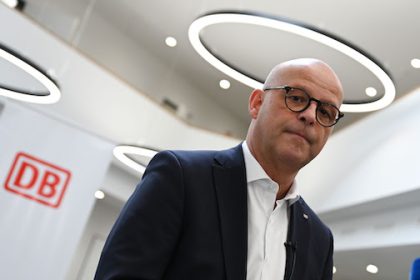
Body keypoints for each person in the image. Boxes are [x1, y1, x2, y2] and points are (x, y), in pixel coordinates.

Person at [94, 58, 344, 280]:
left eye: (325, 111)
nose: (310, 116)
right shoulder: (180, 178)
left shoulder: (320, 240)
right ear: (257, 103)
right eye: (297, 98)